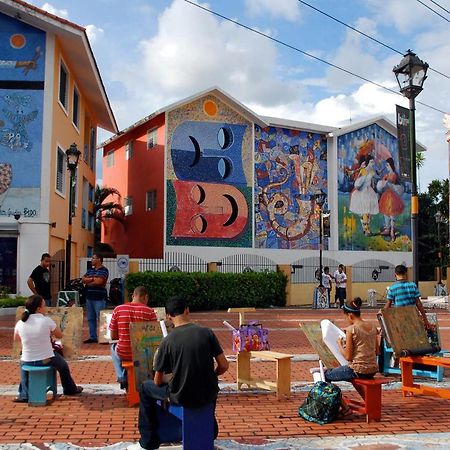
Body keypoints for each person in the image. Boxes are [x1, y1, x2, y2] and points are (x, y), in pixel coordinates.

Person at [137, 296, 229, 450]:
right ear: (187, 310)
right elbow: (224, 365)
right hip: (207, 393)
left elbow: (157, 381)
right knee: (208, 386)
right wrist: (211, 375)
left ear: (168, 317)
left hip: (180, 395)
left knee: (145, 388)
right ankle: (210, 429)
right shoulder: (207, 333)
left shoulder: (168, 341)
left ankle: (149, 440)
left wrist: (169, 378)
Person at [13, 294, 83, 402]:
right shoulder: (46, 321)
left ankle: (23, 394)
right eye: (44, 305)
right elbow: (59, 335)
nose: (45, 308)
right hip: (46, 359)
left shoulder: (21, 322)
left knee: (24, 365)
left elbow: (17, 339)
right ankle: (69, 389)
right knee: (63, 366)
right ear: (38, 308)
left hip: (27, 359)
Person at [109, 286, 157, 389]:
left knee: (113, 346)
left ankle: (122, 376)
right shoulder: (149, 311)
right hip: (143, 353)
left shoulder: (118, 309)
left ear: (132, 296)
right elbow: (154, 336)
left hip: (123, 352)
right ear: (145, 297)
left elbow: (113, 336)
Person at [324, 297, 379, 383]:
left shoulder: (351, 329)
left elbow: (348, 357)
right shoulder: (373, 326)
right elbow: (377, 351)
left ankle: (330, 395)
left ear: (350, 316)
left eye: (346, 317)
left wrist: (340, 344)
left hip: (358, 370)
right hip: (373, 370)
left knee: (325, 374)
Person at [384, 264, 431, 329]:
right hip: (413, 317)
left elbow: (388, 306)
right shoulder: (413, 285)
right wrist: (425, 319)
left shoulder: (392, 288)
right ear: (406, 273)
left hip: (400, 318)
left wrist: (382, 313)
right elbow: (418, 303)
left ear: (395, 274)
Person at [82, 254, 109, 343]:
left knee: (100, 318)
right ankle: (93, 337)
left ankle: (104, 337)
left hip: (99, 298)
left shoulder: (104, 270)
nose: (91, 260)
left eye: (93, 258)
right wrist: (93, 279)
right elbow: (83, 279)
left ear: (99, 259)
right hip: (89, 297)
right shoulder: (90, 270)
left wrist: (90, 280)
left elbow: (99, 281)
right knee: (90, 318)